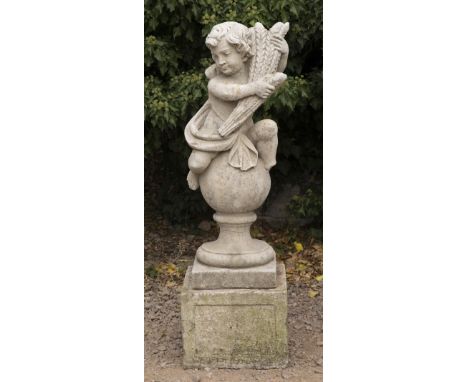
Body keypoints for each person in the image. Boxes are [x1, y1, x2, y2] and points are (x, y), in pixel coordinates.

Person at [185, 22, 288, 190]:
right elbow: (231, 92)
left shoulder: (252, 73)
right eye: (216, 57)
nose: (221, 62)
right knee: (197, 163)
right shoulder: (216, 82)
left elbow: (274, 73)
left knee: (270, 127)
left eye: (226, 54)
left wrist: (283, 54)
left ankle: (266, 167)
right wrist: (254, 88)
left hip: (244, 130)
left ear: (243, 52)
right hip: (217, 134)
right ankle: (194, 172)